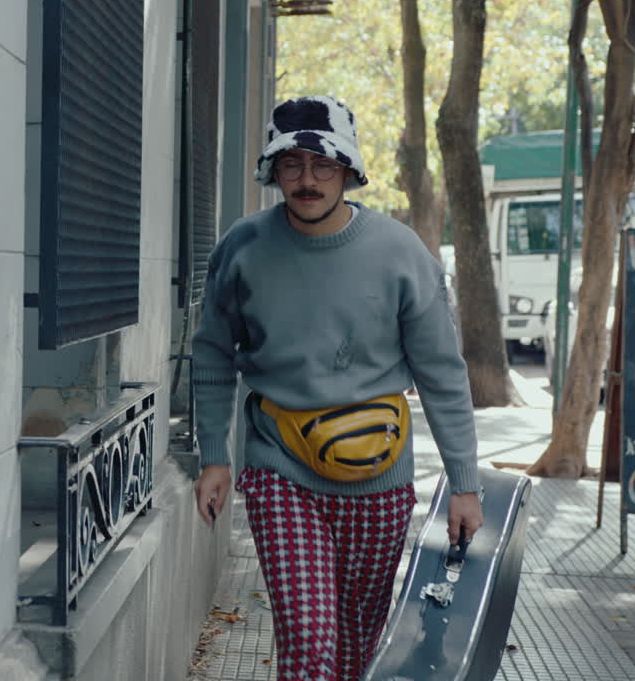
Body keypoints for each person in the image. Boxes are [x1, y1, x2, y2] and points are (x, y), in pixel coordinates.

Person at [190, 95, 484, 681]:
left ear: (348, 170)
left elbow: (443, 374)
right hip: (280, 470)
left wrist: (465, 484)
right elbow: (213, 352)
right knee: (310, 641)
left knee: (353, 650)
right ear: (273, 170)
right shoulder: (243, 249)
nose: (307, 179)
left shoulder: (401, 254)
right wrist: (215, 457)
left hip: (379, 478)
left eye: (323, 165)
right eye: (292, 164)